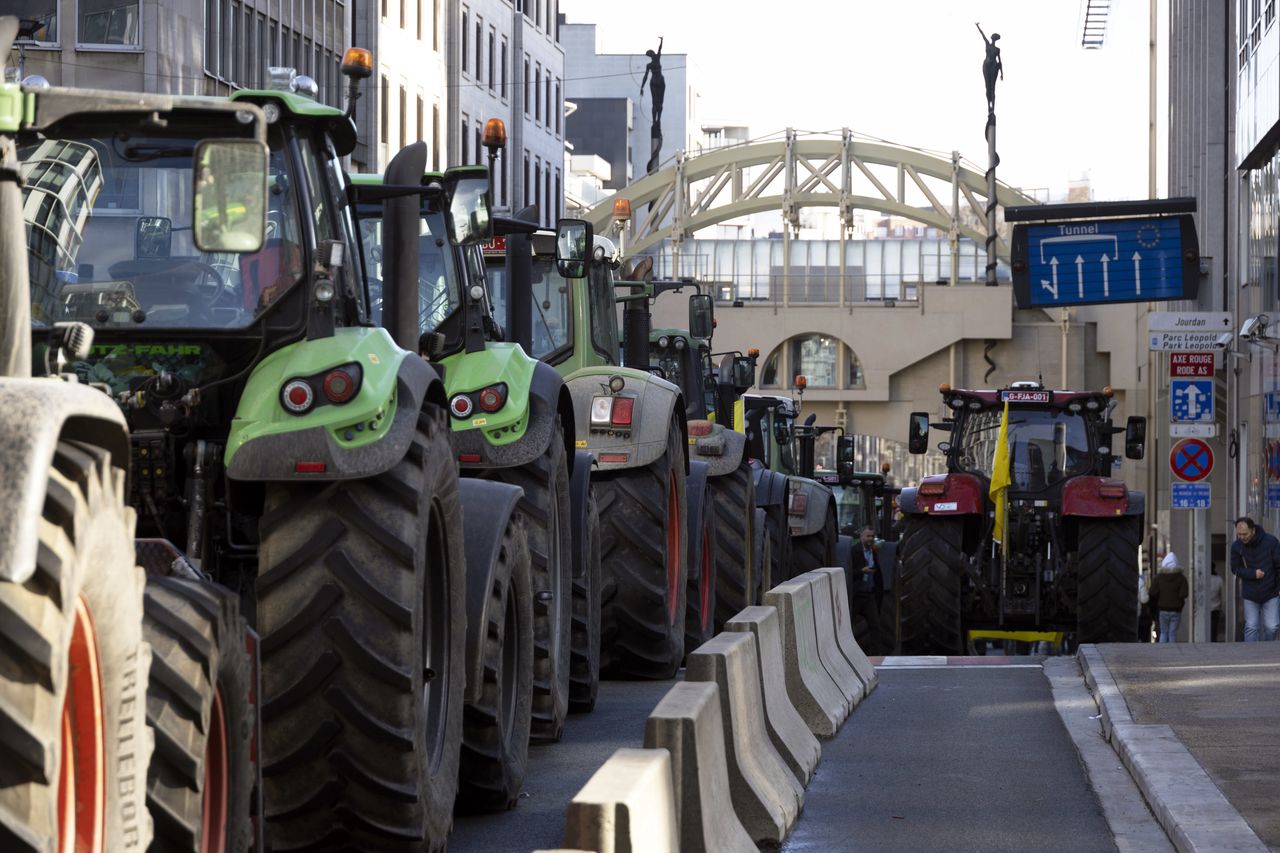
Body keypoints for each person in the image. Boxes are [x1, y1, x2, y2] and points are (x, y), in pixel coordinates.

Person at [1230, 516, 1280, 641]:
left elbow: (1279, 566)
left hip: (1271, 592)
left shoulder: (1271, 542)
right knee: (1251, 627)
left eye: (1244, 534)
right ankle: (1250, 654)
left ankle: (1267, 650)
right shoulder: (1237, 546)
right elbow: (1235, 569)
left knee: (1272, 627)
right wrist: (1253, 574)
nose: (1242, 537)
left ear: (1253, 530)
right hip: (1250, 593)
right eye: (1239, 534)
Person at [850, 526, 882, 655]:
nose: (871, 539)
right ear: (861, 537)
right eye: (868, 536)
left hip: (869, 595)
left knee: (875, 625)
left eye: (872, 536)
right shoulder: (853, 551)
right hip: (857, 595)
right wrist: (861, 572)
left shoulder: (873, 552)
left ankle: (874, 654)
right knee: (848, 625)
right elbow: (848, 572)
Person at [1151, 551, 1188, 642]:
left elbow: (1152, 592)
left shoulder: (1159, 578)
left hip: (1162, 609)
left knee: (1163, 632)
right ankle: (1173, 652)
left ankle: (1162, 653)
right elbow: (1184, 594)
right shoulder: (1181, 578)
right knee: (1172, 633)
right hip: (1176, 609)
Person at [976, 24, 1003, 113]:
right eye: (993, 37)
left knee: (992, 88)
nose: (994, 39)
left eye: (995, 38)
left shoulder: (997, 49)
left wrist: (1002, 73)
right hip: (987, 66)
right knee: (988, 87)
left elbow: (1000, 61)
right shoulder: (988, 44)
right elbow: (982, 34)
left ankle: (992, 108)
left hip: (994, 67)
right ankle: (989, 106)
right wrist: (978, 26)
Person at [640, 37, 665, 127]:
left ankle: (657, 120)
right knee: (657, 103)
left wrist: (662, 40)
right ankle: (656, 120)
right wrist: (642, 86)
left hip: (656, 82)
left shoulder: (652, 63)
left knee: (657, 103)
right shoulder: (652, 62)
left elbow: (660, 48)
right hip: (657, 82)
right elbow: (645, 76)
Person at [1208, 563, 1224, 642]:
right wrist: (1223, 608)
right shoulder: (1219, 579)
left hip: (1203, 609)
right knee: (1213, 630)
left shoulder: (1202, 578)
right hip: (1215, 608)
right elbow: (1223, 595)